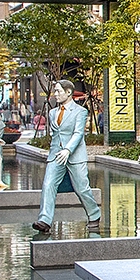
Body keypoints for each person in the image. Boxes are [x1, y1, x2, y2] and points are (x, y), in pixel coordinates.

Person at [32, 78, 101, 237]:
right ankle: (45, 220)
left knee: (82, 188)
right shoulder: (52, 112)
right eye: (55, 91)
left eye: (58, 91)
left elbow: (78, 133)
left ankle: (94, 214)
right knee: (48, 184)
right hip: (56, 155)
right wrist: (57, 151)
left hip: (74, 155)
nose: (55, 94)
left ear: (68, 92)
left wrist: (68, 150)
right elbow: (56, 135)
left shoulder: (80, 111)